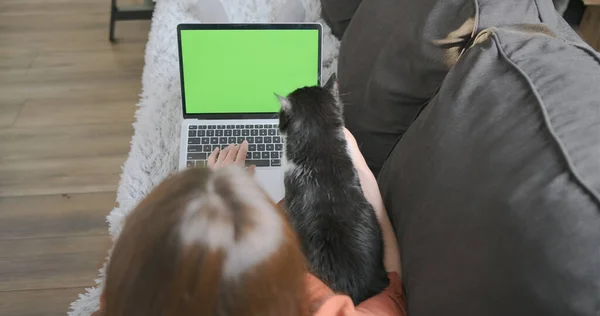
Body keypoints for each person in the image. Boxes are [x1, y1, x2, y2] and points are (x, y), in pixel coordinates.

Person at [93, 130, 406, 316]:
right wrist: (368, 187)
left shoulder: (125, 296)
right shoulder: (302, 298)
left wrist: (218, 193)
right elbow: (389, 301)